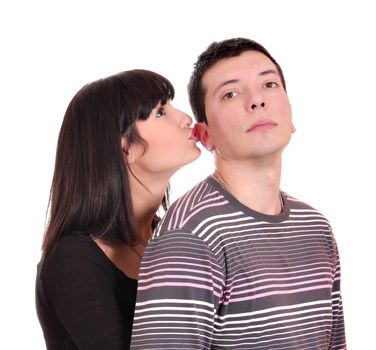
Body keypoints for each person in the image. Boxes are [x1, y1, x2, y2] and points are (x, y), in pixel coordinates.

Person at [130, 38, 346, 349]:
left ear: (291, 112)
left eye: (269, 84)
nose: (257, 101)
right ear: (205, 135)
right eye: (231, 93)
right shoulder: (191, 235)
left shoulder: (316, 228)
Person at [35, 69, 201, 349]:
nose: (185, 118)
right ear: (125, 148)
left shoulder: (174, 236)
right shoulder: (71, 259)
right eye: (161, 112)